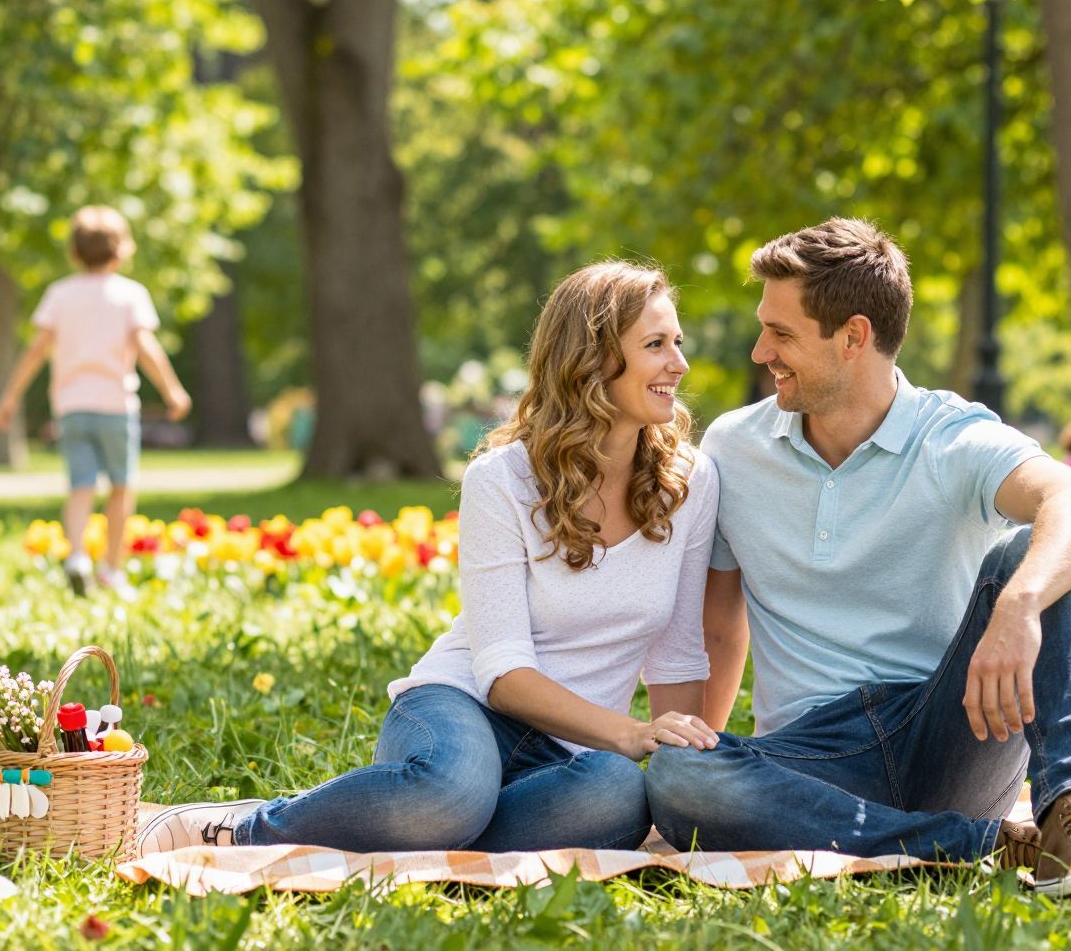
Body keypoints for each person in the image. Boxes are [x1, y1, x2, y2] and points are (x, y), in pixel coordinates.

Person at [644, 218, 1071, 904]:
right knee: (678, 778)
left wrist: (1018, 605)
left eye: (783, 333)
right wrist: (706, 746)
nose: (762, 351)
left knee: (1035, 559)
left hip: (953, 731)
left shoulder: (953, 437)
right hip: (814, 755)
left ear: (853, 337)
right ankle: (985, 847)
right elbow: (720, 627)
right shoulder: (734, 447)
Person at [137, 262, 720, 855]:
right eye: (655, 345)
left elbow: (677, 653)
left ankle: (423, 833)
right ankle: (244, 829)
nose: (679, 363)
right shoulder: (504, 479)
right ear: (591, 360)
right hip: (462, 706)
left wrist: (682, 779)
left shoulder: (689, 483)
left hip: (576, 753)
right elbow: (503, 675)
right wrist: (630, 732)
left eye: (677, 342)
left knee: (617, 795)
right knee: (449, 795)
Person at [0, 206, 191, 597]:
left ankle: (76, 557)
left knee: (80, 485)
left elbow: (36, 351)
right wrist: (172, 389)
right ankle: (111, 570)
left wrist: (9, 398)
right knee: (121, 487)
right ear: (122, 251)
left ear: (74, 253)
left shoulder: (60, 294)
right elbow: (145, 346)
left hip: (71, 407)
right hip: (116, 405)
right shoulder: (130, 294)